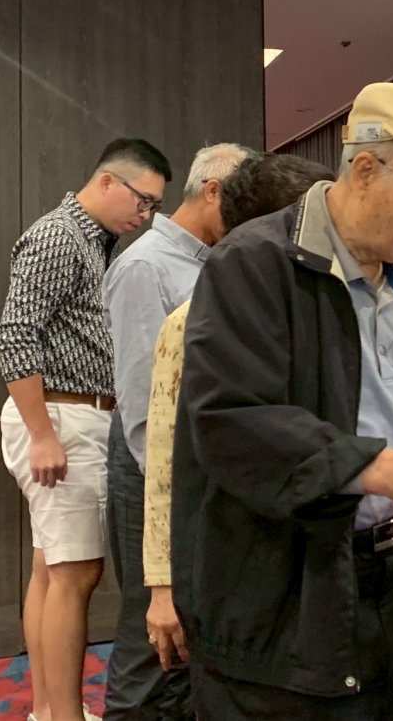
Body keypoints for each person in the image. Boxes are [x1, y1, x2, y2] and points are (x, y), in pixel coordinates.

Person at [172, 83, 393, 718]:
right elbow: (231, 423)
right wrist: (378, 467)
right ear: (364, 169)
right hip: (292, 598)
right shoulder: (256, 265)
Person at [0, 138, 172, 721]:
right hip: (62, 415)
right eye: (142, 200)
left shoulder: (95, 240)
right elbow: (14, 335)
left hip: (77, 415)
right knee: (75, 574)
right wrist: (43, 434)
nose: (145, 215)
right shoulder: (58, 236)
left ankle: (49, 711)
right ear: (107, 182)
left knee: (52, 570)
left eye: (153, 207)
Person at [137, 152, 336, 676]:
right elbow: (163, 456)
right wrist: (162, 585)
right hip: (228, 546)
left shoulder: (330, 304)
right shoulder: (193, 319)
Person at [99, 142, 252, 720]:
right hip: (152, 472)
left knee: (189, 638)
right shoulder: (146, 266)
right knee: (151, 640)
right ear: (212, 191)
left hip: (193, 469)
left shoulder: (214, 262)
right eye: (242, 202)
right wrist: (171, 501)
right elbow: (145, 409)